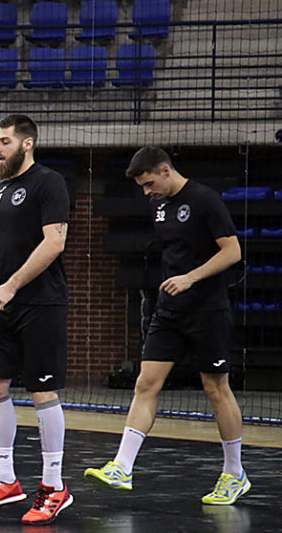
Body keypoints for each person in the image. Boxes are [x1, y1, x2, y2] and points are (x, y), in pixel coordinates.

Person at [85, 147, 248, 505]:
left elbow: (232, 252)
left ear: (164, 169)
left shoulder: (205, 200)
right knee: (145, 383)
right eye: (142, 187)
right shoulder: (157, 206)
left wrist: (190, 278)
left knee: (215, 387)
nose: (146, 191)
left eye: (149, 183)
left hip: (207, 310)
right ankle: (122, 466)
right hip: (169, 310)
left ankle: (234, 474)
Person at [0, 114, 73, 526]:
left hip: (41, 302)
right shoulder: (3, 187)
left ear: (27, 143)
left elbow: (55, 242)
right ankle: (6, 479)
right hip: (6, 301)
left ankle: (53, 486)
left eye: (5, 141)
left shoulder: (49, 182)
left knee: (41, 392)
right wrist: (5, 289)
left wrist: (11, 285)